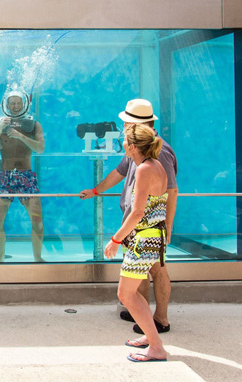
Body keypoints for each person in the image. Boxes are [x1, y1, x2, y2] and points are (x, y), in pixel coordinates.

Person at [80, 99, 177, 335]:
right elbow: (120, 172)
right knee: (138, 269)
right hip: (136, 224)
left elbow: (171, 191)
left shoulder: (158, 152)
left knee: (156, 269)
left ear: (134, 125)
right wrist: (96, 190)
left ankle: (160, 319)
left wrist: (168, 226)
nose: (123, 128)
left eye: (126, 123)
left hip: (147, 226)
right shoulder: (138, 148)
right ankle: (141, 313)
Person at [103, 121, 169, 362]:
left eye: (125, 139)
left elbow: (138, 212)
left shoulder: (144, 169)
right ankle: (151, 337)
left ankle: (157, 347)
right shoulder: (155, 165)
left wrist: (115, 240)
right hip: (151, 238)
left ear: (131, 146)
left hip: (144, 240)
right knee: (131, 292)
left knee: (126, 294)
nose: (123, 143)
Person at [0, 90, 45, 262]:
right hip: (4, 176)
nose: (16, 106)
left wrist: (20, 136)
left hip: (26, 176)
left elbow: (40, 148)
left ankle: (38, 258)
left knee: (37, 222)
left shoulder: (33, 125)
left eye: (19, 103)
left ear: (24, 104)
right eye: (12, 103)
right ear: (6, 105)